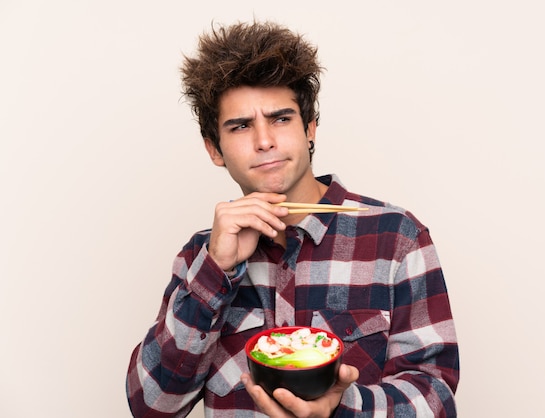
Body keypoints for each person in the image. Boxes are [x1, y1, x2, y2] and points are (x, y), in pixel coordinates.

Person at [126, 21, 459, 417]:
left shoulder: (396, 237)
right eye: (241, 126)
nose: (264, 140)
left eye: (281, 119)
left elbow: (436, 399)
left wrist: (341, 408)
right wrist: (216, 272)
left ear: (310, 128)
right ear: (214, 149)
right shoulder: (203, 255)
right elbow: (151, 406)